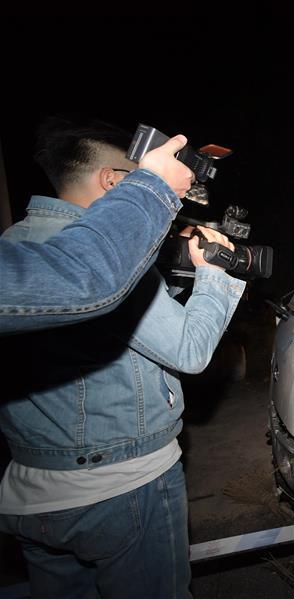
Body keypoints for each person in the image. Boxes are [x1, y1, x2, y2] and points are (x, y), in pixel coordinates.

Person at [0, 117, 246, 598]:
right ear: (115, 181)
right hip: (121, 491)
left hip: (32, 494)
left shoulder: (16, 251)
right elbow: (189, 351)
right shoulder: (104, 267)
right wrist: (219, 276)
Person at [0, 131, 194, 334]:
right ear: (110, 180)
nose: (138, 179)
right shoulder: (100, 259)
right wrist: (154, 184)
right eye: (136, 175)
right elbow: (189, 350)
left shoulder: (18, 235)